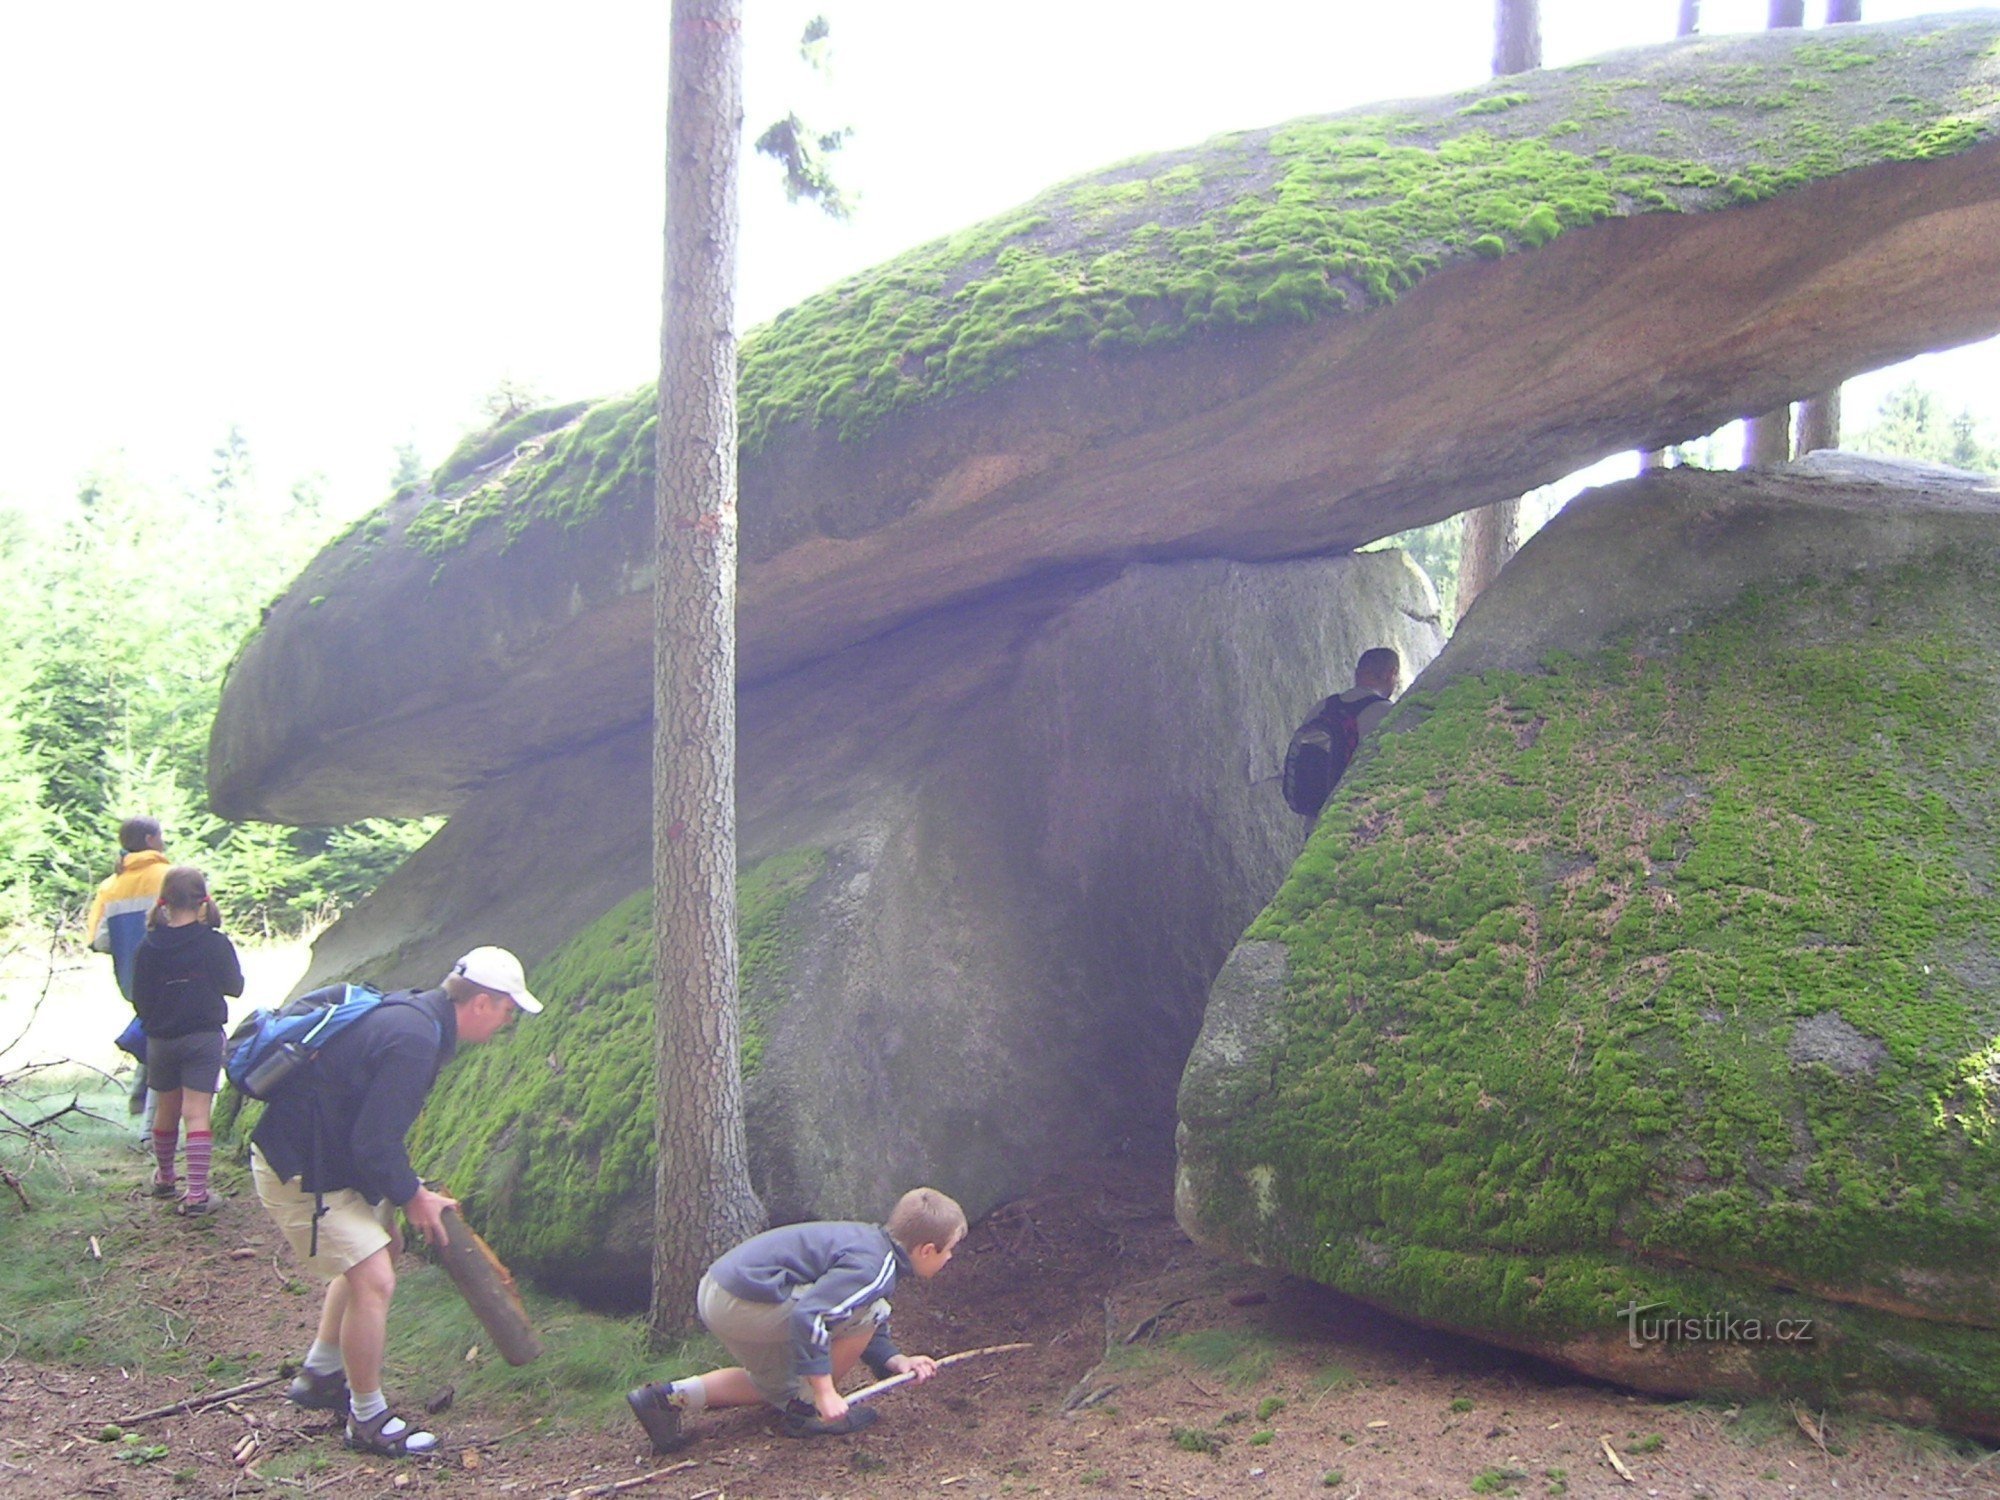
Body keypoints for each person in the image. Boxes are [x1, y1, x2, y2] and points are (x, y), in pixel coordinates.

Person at [251, 946, 542, 1457]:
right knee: (374, 1277)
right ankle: (367, 1420)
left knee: (381, 1249)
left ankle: (321, 1375)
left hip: (325, 1160)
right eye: (507, 1010)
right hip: (299, 1170)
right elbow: (374, 1142)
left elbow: (367, 1129)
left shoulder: (416, 1015)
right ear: (481, 1003)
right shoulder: (414, 1039)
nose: (506, 1021)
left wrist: (409, 1195)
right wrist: (413, 1197)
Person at [626, 1187, 968, 1453]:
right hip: (743, 1301)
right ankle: (809, 1412)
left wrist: (896, 1360)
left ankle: (664, 1400)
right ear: (926, 1250)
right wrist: (824, 1393)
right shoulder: (874, 1267)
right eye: (950, 1249)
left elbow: (850, 1306)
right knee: (873, 1311)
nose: (951, 1258)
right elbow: (815, 1313)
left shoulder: (872, 1247)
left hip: (722, 1291)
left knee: (779, 1387)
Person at [129, 865, 240, 1214]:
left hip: (161, 1039)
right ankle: (196, 1195)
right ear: (202, 898)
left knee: (166, 1108)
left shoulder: (148, 945)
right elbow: (235, 987)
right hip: (203, 1037)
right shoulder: (215, 942)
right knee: (196, 1114)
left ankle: (164, 1178)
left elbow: (138, 997)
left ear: (164, 899)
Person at [83, 817, 172, 1124]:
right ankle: (149, 1122)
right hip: (170, 973)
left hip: (131, 979)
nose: (163, 840)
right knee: (163, 1039)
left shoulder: (110, 885)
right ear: (149, 839)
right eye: (160, 835)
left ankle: (140, 1101)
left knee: (153, 1031)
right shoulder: (168, 876)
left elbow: (99, 940)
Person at [1281, 646, 1404, 820]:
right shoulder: (1388, 714)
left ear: (1357, 673)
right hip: (1358, 819)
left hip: (1316, 819)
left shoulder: (1322, 707)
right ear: (1391, 673)